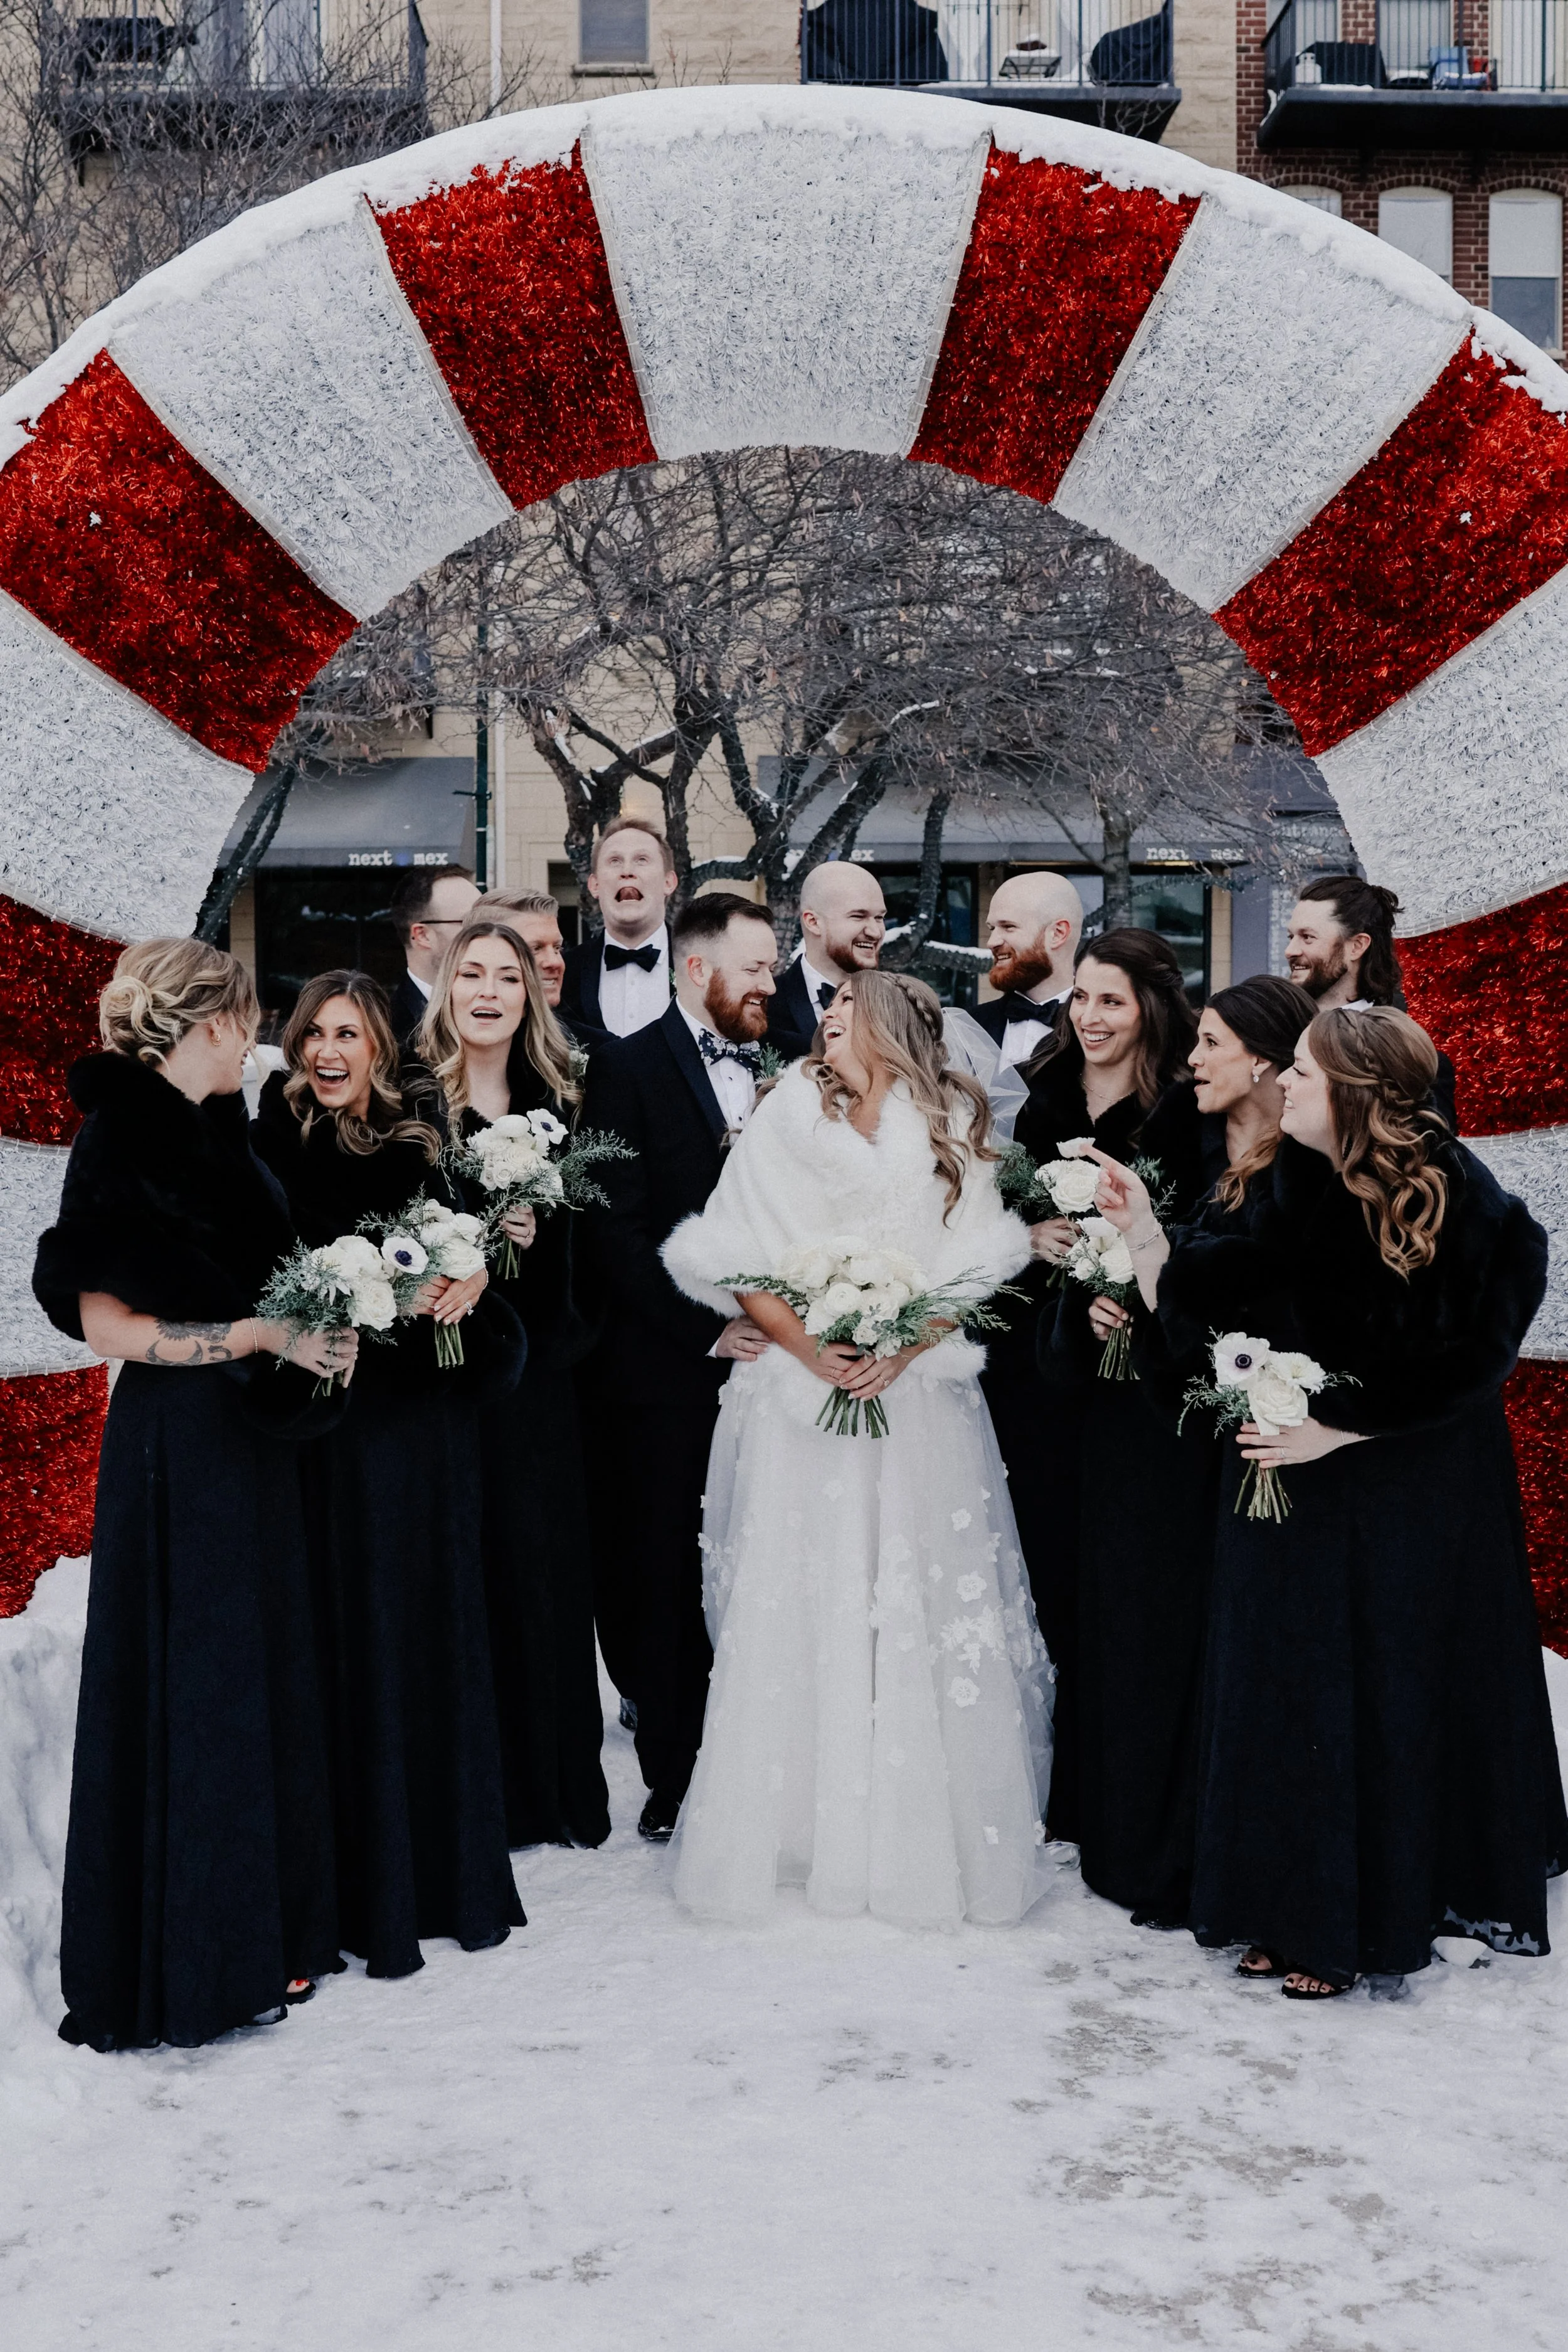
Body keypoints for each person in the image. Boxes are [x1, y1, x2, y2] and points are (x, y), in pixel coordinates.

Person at [1097, 1006, 1567, 1998]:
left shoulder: (1452, 1186)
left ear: (1356, 1087)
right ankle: (1285, 1902)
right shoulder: (1296, 1176)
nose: (1288, 1084)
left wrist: (1342, 1425)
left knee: (1374, 1682)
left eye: (1304, 1070)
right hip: (1292, 1476)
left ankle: (1356, 1918)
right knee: (1284, 1683)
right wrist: (1141, 1230)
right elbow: (1221, 1289)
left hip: (1405, 1491)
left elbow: (1477, 1348)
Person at [662, 971, 1052, 1926]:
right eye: (824, 1015)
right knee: (810, 1594)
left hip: (919, 1400)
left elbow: (984, 1256)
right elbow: (731, 1251)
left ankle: (915, 1826)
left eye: (842, 1015)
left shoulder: (951, 1122)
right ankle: (797, 1824)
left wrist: (908, 1342)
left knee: (914, 1594)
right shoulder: (786, 1112)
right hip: (801, 1398)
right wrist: (814, 1349)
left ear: (887, 1026)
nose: (823, 1026)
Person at [31, 938, 351, 2050]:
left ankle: (265, 1931)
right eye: (252, 1018)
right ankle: (198, 1956)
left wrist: (314, 1332)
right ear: (208, 1023)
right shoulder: (124, 1134)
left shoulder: (220, 1129)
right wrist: (258, 1336)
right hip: (181, 1450)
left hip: (253, 1444)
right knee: (200, 1687)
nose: (262, 1039)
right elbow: (108, 1326)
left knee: (259, 1680)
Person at [253, 970, 526, 1980]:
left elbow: (473, 1260)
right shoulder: (267, 1144)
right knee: (335, 1643)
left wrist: (477, 1267)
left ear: (379, 1049)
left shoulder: (425, 1142)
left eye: (349, 1035)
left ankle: (435, 1875)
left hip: (419, 1435)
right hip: (324, 1438)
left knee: (421, 1636)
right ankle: (342, 1893)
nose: (328, 1052)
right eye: (314, 1033)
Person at [1066, 973, 1317, 1929]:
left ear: (1260, 1056)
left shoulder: (1302, 1170)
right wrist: (1120, 1281)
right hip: (1181, 1446)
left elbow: (1242, 1309)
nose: (1194, 1059)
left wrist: (1145, 1250)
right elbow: (1186, 1295)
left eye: (1210, 1043)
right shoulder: (1206, 1150)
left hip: (1261, 1454)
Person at [992, 930, 1204, 1846]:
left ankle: (1140, 1796)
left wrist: (1132, 1281)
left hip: (1141, 1380)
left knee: (1135, 1586)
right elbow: (995, 1208)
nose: (1090, 1016)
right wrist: (1028, 1233)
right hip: (1045, 1375)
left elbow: (1198, 1239)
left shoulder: (1188, 1112)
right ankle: (1071, 1787)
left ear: (1152, 1007)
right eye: (1081, 998)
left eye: (1111, 1000)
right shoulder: (1041, 1099)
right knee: (1057, 1576)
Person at [578, 893, 778, 1841]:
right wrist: (708, 1329)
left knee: (762, 1570)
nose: (771, 983)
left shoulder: (787, 1066)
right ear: (700, 970)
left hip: (783, 1373)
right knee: (662, 1575)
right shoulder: (622, 1068)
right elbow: (614, 1231)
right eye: (758, 967)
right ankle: (677, 1773)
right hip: (665, 1375)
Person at [412, 919, 612, 1851]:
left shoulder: (558, 1105)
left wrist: (535, 1240)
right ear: (446, 986)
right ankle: (466, 1796)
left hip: (538, 1389)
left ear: (532, 996)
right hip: (437, 1385)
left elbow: (592, 1263)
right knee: (454, 1576)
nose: (489, 991)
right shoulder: (407, 1102)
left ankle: (549, 1789)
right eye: (473, 974)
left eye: (509, 977)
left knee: (540, 1575)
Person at [1286, 874, 1457, 1126]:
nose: (1291, 951)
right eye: (1290, 937)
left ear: (1357, 946)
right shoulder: (1273, 1029)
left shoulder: (1407, 1050)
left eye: (1307, 937)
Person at [559, 818, 679, 1036]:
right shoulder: (564, 972)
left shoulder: (703, 967)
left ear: (668, 882)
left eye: (642, 859)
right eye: (614, 861)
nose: (627, 871)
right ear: (594, 885)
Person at [765, 861, 887, 1061]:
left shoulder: (900, 1003)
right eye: (858, 916)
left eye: (880, 918)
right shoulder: (766, 1006)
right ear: (813, 922)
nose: (875, 932)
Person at [973, 869, 1084, 1068]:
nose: (992, 942)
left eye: (1008, 926)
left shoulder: (1100, 1027)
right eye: (992, 929)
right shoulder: (969, 1027)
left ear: (1057, 934)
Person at [386, 866, 480, 1046]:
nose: (487, 933)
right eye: (471, 922)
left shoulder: (507, 1017)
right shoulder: (388, 1033)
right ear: (422, 935)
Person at [480, 886, 570, 1014]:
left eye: (557, 948)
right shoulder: (446, 1033)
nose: (554, 963)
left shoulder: (586, 1035)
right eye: (535, 949)